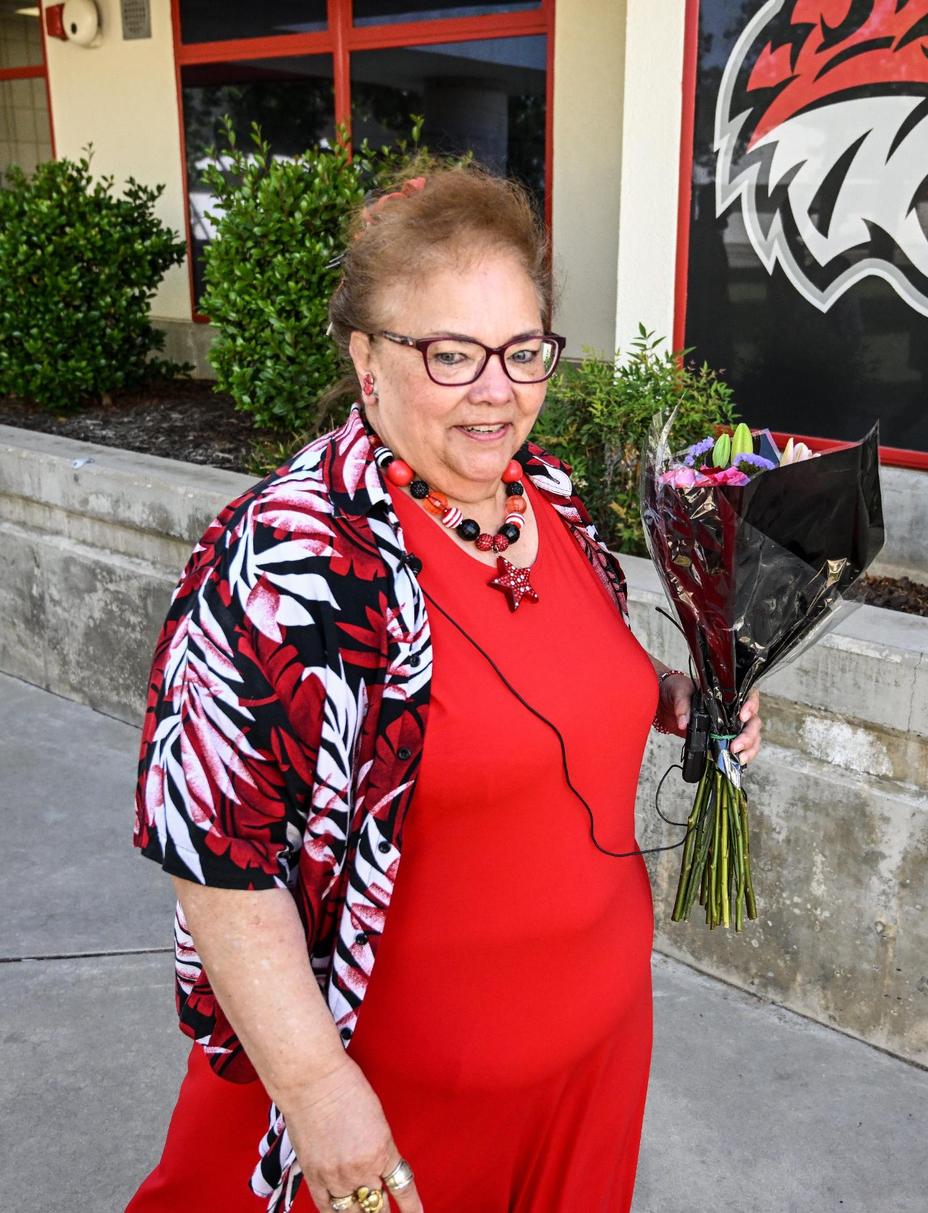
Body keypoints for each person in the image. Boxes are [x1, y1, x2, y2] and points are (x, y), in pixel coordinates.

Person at [128, 166, 762, 1213]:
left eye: (523, 351)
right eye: (451, 353)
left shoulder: (546, 495)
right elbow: (215, 856)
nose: (497, 390)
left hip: (589, 1058)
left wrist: (679, 692)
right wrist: (320, 1092)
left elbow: (559, 672)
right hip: (391, 1105)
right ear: (366, 359)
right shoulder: (288, 557)